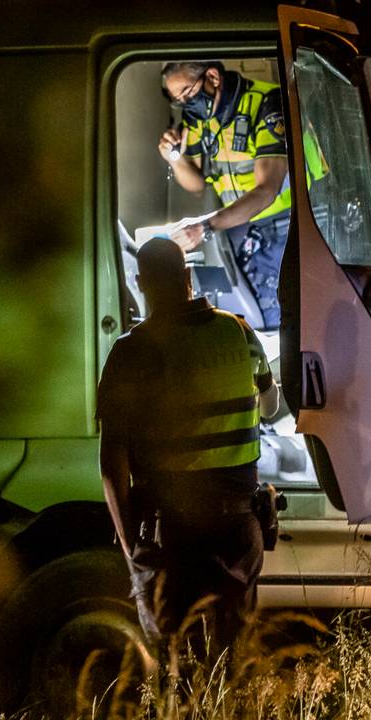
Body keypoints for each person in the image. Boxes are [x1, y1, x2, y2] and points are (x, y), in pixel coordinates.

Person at [97, 238, 280, 653]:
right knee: (233, 660)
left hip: (173, 535)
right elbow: (270, 407)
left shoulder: (131, 351)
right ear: (187, 276)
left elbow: (112, 462)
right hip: (239, 531)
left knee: (176, 660)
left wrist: (130, 547)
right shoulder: (240, 331)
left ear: (141, 283)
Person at [158, 61, 291, 330]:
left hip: (285, 226)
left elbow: (267, 190)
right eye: (177, 99)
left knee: (276, 317)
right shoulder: (198, 120)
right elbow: (197, 185)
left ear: (213, 77)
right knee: (252, 317)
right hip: (240, 226)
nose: (184, 103)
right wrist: (174, 158)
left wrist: (204, 227)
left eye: (187, 92)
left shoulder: (267, 103)